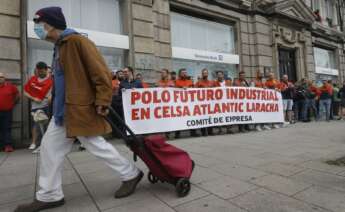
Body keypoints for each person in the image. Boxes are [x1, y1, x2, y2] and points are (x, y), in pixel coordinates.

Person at [15, 7, 143, 212]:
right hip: (63, 111)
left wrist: (103, 99)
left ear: (50, 24)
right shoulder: (60, 46)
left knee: (95, 145)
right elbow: (63, 79)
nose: (37, 29)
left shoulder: (77, 41)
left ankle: (130, 174)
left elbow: (100, 72)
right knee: (50, 148)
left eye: (39, 25)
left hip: (78, 109)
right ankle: (50, 194)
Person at [24, 62, 53, 153]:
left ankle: (45, 145)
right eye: (38, 71)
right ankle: (37, 144)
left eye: (41, 71)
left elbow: (52, 92)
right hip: (35, 106)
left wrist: (50, 98)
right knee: (37, 125)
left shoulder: (51, 80)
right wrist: (34, 98)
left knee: (45, 125)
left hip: (46, 106)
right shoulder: (32, 79)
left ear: (46, 69)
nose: (39, 73)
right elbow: (25, 92)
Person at [174, 68, 197, 138]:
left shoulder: (190, 81)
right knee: (179, 119)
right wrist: (181, 88)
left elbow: (194, 89)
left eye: (185, 73)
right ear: (179, 74)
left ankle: (193, 132)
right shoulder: (176, 81)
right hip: (180, 103)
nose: (184, 74)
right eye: (183, 73)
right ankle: (177, 134)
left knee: (192, 117)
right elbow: (174, 90)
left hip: (189, 103)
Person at [0, 72, 19, 153]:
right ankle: (1, 146)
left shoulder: (10, 86)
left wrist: (12, 103)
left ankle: (8, 145)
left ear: (4, 78)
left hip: (7, 111)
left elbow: (17, 95)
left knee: (7, 128)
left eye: (1, 77)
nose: (0, 78)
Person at [195, 68, 215, 136]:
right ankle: (203, 132)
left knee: (210, 117)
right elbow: (194, 90)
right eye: (204, 73)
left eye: (206, 73)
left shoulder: (211, 82)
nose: (205, 74)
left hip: (210, 103)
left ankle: (210, 131)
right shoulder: (199, 82)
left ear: (208, 74)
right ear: (202, 74)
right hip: (202, 103)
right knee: (202, 117)